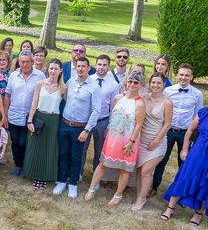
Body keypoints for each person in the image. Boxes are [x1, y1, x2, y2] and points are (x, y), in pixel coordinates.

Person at [84, 72, 146, 206]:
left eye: (136, 82)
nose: (132, 85)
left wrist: (132, 142)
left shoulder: (140, 103)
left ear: (141, 85)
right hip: (113, 138)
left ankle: (118, 195)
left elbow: (139, 124)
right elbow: (114, 115)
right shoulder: (118, 97)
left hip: (129, 141)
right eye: (130, 81)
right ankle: (91, 189)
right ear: (126, 82)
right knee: (102, 164)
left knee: (124, 169)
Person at [151, 63, 203, 197]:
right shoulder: (168, 91)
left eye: (187, 75)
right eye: (181, 74)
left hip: (186, 133)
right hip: (168, 130)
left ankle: (180, 192)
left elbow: (197, 117)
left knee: (184, 163)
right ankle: (154, 187)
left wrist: (192, 138)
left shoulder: (197, 94)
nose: (183, 77)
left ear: (191, 77)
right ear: (177, 75)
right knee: (162, 160)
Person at [53, 57, 101, 199]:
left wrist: (86, 130)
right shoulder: (71, 81)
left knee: (75, 156)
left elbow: (96, 111)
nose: (80, 69)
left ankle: (73, 184)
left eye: (83, 66)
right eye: (78, 66)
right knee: (63, 154)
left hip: (80, 128)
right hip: (65, 124)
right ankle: (62, 181)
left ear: (88, 68)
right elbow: (67, 98)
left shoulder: (94, 87)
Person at [160, 106, 208, 225]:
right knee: (186, 176)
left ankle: (198, 214)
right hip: (198, 152)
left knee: (205, 183)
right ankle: (170, 207)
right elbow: (191, 130)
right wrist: (185, 149)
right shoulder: (204, 111)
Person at [132, 73, 172, 211]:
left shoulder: (167, 102)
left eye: (159, 83)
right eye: (153, 82)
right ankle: (139, 194)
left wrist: (156, 141)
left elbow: (167, 124)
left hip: (157, 142)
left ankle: (142, 199)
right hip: (141, 140)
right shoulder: (143, 98)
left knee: (146, 171)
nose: (155, 85)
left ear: (163, 85)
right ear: (149, 84)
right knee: (138, 170)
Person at [23, 59, 66, 189]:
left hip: (54, 120)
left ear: (61, 71)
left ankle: (45, 176)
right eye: (51, 68)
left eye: (56, 69)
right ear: (48, 69)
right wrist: (30, 120)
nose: (53, 71)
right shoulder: (40, 84)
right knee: (36, 146)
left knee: (50, 148)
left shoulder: (63, 87)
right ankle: (34, 174)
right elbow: (34, 103)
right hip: (39, 117)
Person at [4, 50, 45, 176]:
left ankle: (26, 166)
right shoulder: (13, 76)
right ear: (19, 63)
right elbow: (7, 96)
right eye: (23, 62)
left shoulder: (40, 76)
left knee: (25, 142)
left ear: (32, 62)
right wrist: (5, 115)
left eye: (28, 62)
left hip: (30, 117)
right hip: (14, 115)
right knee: (15, 142)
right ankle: (18, 165)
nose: (25, 64)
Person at [80, 55, 120, 179]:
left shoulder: (113, 84)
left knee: (99, 151)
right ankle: (79, 173)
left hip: (103, 120)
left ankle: (96, 177)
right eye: (99, 64)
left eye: (104, 65)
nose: (101, 67)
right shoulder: (88, 79)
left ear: (109, 66)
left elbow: (113, 107)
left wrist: (110, 125)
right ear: (95, 65)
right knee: (82, 148)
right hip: (86, 120)